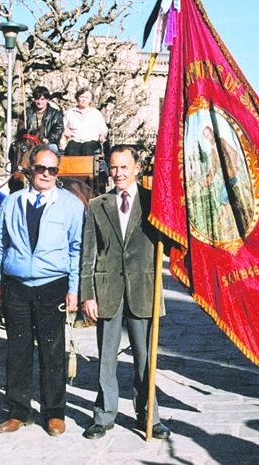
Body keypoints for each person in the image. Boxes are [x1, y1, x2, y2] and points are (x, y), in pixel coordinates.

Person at [0, 145, 84, 436]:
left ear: (58, 173)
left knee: (53, 351)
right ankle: (18, 411)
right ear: (30, 169)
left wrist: (73, 289)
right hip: (16, 285)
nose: (46, 174)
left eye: (52, 170)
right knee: (17, 349)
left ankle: (54, 413)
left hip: (52, 286)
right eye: (40, 168)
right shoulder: (12, 202)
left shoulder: (71, 205)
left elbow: (77, 249)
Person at [80, 144, 170, 440]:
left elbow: (169, 244)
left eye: (123, 167)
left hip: (143, 290)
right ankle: (103, 415)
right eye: (113, 167)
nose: (117, 173)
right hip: (107, 291)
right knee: (107, 357)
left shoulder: (155, 203)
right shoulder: (98, 205)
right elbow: (88, 254)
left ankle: (149, 417)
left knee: (146, 359)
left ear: (137, 168)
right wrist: (87, 295)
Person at [61, 87, 108, 156]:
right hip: (75, 140)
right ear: (77, 98)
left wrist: (102, 135)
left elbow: (103, 129)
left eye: (87, 97)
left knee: (87, 148)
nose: (84, 100)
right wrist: (64, 130)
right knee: (71, 148)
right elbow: (62, 126)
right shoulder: (69, 113)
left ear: (90, 100)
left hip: (91, 141)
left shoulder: (96, 113)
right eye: (82, 97)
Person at [20, 86, 64, 151]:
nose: (39, 102)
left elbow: (58, 130)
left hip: (47, 143)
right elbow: (21, 128)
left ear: (47, 99)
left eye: (42, 99)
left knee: (53, 148)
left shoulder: (55, 114)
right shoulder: (27, 112)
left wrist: (48, 139)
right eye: (37, 99)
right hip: (29, 142)